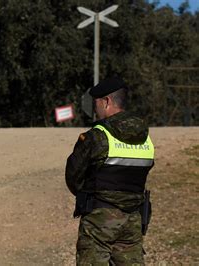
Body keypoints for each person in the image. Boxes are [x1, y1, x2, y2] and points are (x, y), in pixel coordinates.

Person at [65, 77, 155, 265]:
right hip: (133, 219)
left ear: (106, 101)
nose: (95, 108)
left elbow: (74, 177)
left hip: (99, 220)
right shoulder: (145, 138)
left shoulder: (97, 136)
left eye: (96, 102)